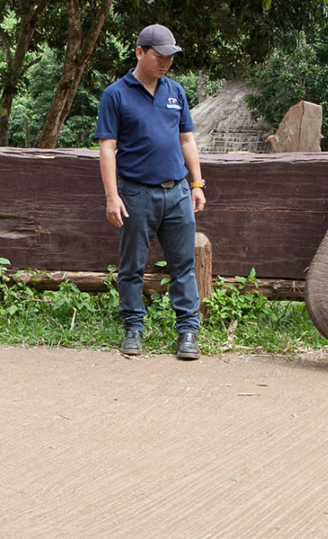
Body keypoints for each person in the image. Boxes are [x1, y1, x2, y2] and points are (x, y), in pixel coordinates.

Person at [95, 24, 207, 360]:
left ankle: (187, 331)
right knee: (131, 265)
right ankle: (133, 327)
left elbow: (187, 139)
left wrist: (197, 183)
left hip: (177, 194)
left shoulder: (176, 91)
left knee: (183, 265)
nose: (166, 63)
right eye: (159, 56)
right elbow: (107, 148)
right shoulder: (116, 94)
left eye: (170, 57)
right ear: (140, 51)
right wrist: (112, 196)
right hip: (136, 194)